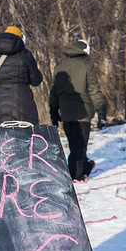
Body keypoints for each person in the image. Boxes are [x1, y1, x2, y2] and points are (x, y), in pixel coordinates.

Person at [49, 39, 108, 182]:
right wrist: (101, 112)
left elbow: (54, 92)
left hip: (66, 112)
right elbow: (94, 91)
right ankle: (77, 175)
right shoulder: (86, 65)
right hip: (83, 111)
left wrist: (53, 112)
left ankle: (84, 166)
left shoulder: (60, 67)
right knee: (80, 145)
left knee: (75, 143)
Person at [0, 25, 43, 126]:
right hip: (23, 106)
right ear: (20, 39)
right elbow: (36, 80)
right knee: (24, 139)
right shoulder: (25, 54)